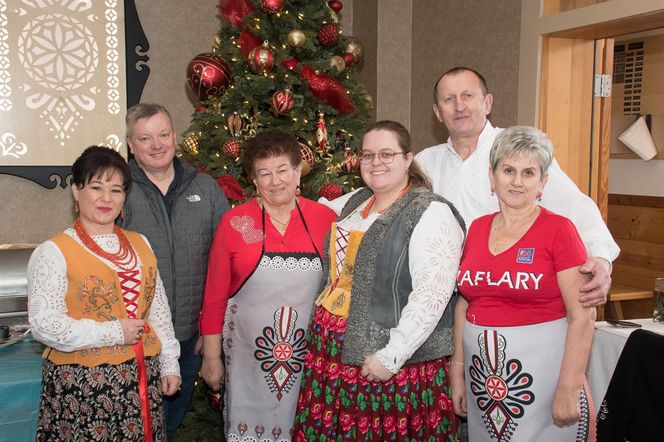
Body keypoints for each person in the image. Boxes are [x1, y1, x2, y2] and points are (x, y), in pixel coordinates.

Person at [294, 120, 466, 441]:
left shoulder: (429, 212)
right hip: (331, 356)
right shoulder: (356, 201)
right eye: (368, 155)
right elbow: (302, 208)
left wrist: (391, 356)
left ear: (407, 158)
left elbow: (432, 294)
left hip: (387, 358)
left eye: (387, 154)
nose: (376, 162)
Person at [415, 67, 619, 307]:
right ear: (438, 112)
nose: (459, 106)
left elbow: (575, 206)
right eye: (449, 99)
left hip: (512, 294)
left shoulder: (519, 152)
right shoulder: (424, 163)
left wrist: (601, 259)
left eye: (468, 96)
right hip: (441, 298)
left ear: (487, 103)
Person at [450, 126, 596, 440]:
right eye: (508, 170)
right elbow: (465, 302)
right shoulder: (476, 228)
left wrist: (569, 387)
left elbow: (582, 315)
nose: (517, 181)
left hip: (543, 383)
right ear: (492, 177)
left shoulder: (560, 230)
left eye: (529, 172)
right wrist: (457, 371)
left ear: (542, 182)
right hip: (484, 384)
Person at [27, 146, 181, 441]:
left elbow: (158, 310)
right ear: (76, 190)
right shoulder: (53, 251)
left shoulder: (141, 244)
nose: (106, 198)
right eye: (96, 187)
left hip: (141, 381)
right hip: (83, 387)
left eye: (116, 189)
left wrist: (169, 363)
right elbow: (44, 323)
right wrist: (112, 332)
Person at [199, 129, 337, 441]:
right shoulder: (237, 223)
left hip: (310, 362)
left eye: (282, 170)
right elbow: (215, 296)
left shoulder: (325, 219)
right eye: (265, 173)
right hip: (248, 363)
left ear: (298, 170)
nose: (275, 181)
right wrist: (211, 358)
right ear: (253, 180)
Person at [119, 103, 230, 441]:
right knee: (137, 424)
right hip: (135, 341)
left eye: (163, 135)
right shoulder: (118, 188)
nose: (157, 145)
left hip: (190, 338)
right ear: (131, 143)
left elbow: (226, 262)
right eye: (145, 138)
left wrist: (210, 332)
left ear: (175, 137)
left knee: (172, 420)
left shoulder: (207, 188)